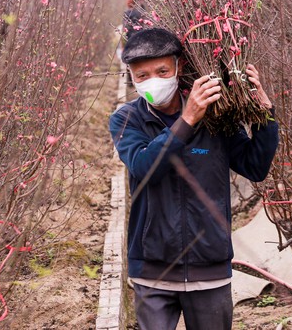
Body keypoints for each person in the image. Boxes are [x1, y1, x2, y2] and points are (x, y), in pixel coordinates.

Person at [108, 28, 279, 330]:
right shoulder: (127, 119)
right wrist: (187, 120)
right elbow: (144, 167)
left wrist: (265, 116)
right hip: (153, 270)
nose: (154, 81)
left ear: (179, 67)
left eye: (162, 71)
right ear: (131, 77)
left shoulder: (216, 114)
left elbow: (255, 167)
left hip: (209, 268)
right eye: (142, 75)